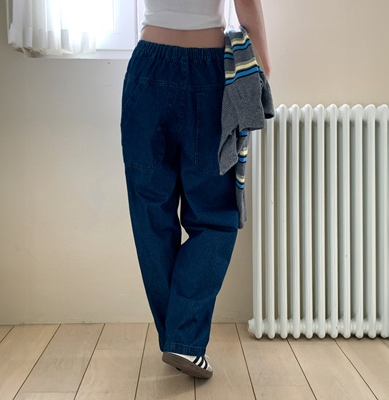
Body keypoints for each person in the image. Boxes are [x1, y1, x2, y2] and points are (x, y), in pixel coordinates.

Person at [120, 0, 271, 379]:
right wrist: (264, 68)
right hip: (208, 72)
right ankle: (183, 340)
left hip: (148, 68)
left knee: (150, 213)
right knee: (215, 215)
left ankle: (179, 339)